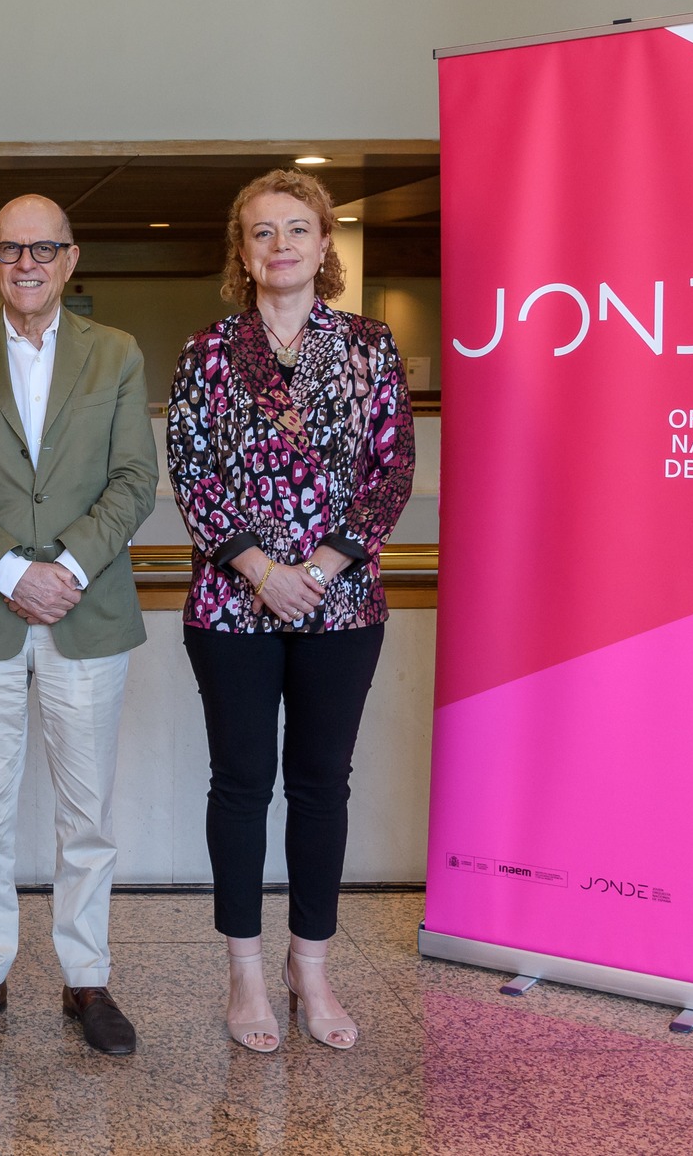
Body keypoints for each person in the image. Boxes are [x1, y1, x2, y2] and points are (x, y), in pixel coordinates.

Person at [166, 168, 414, 1054]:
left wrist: (319, 565)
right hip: (232, 604)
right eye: (262, 231)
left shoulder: (370, 345)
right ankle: (243, 969)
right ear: (242, 251)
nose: (280, 245)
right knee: (240, 784)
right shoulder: (207, 351)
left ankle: (310, 966)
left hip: (342, 603)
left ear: (323, 243)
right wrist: (261, 569)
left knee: (321, 785)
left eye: (297, 228)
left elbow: (392, 471)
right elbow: (191, 471)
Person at [0, 195, 158, 1056]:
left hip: (87, 612)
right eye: (12, 249)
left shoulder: (116, 353)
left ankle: (86, 976)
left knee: (86, 815)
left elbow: (134, 478)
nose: (28, 263)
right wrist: (15, 573)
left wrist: (68, 569)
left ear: (69, 258)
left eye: (44, 248)